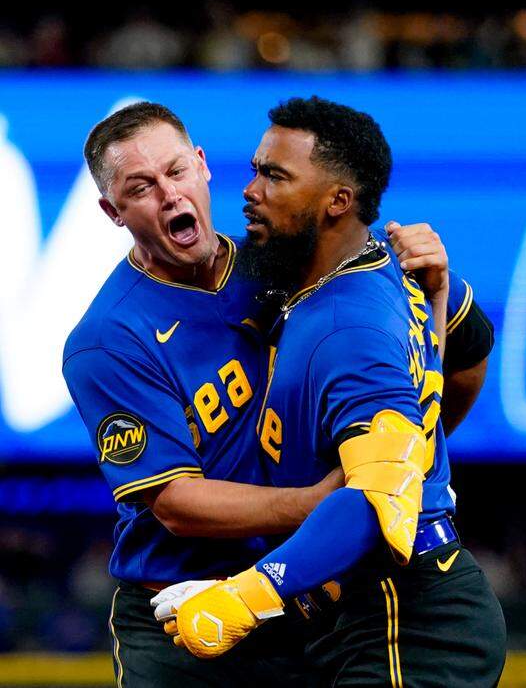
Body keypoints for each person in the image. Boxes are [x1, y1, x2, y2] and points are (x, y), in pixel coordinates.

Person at [63, 102, 493, 685]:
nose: (168, 194)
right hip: (181, 609)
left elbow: (465, 352)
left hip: (304, 590)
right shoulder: (108, 338)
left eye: (175, 171)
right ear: (113, 211)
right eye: (140, 187)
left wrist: (397, 462)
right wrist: (339, 499)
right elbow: (175, 503)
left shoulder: (292, 260)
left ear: (202, 166)